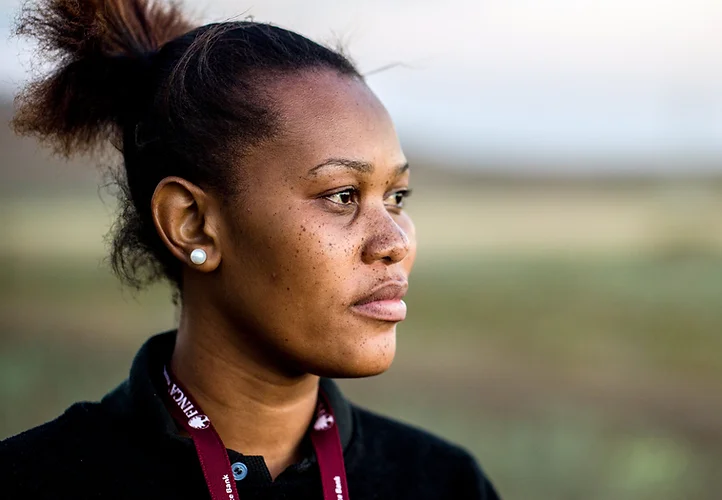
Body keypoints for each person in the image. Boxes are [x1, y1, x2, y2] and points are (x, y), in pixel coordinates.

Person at [0, 0, 500, 498]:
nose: (394, 242)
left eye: (396, 197)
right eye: (342, 195)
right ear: (192, 225)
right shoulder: (37, 481)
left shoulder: (443, 482)